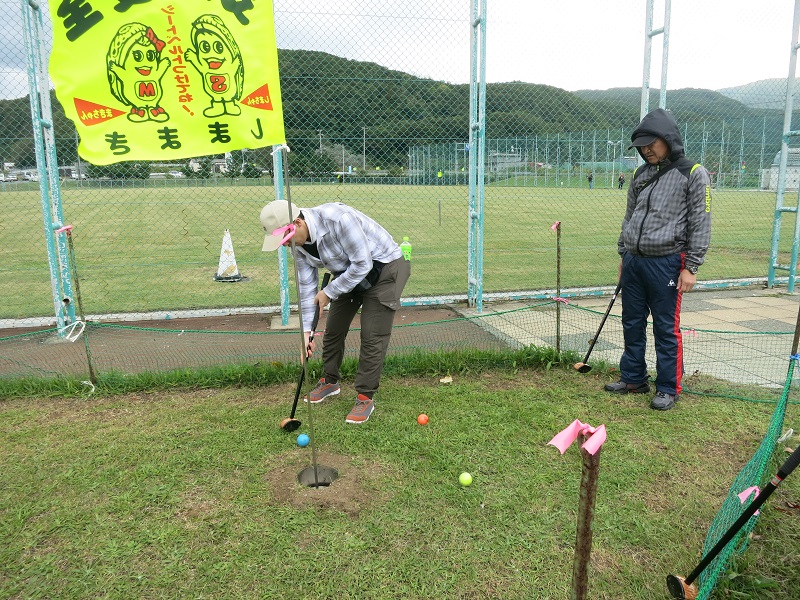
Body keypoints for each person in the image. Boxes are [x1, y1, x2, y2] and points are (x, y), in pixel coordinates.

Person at [260, 200, 411, 424]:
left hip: (384, 268)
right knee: (333, 330)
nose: (284, 245)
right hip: (348, 273)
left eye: (285, 239)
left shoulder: (337, 219)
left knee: (372, 335)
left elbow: (362, 264)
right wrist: (305, 335)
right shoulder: (298, 246)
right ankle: (330, 381)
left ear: (297, 223)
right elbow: (306, 289)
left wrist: (329, 292)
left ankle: (364, 396)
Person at [604, 108, 712, 411]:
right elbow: (629, 216)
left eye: (652, 143)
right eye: (642, 145)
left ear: (668, 139)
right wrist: (623, 253)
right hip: (634, 261)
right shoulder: (641, 174)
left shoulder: (692, 172)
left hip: (667, 261)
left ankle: (668, 388)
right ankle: (633, 378)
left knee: (665, 327)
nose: (647, 150)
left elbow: (701, 222)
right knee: (631, 322)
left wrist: (691, 267)